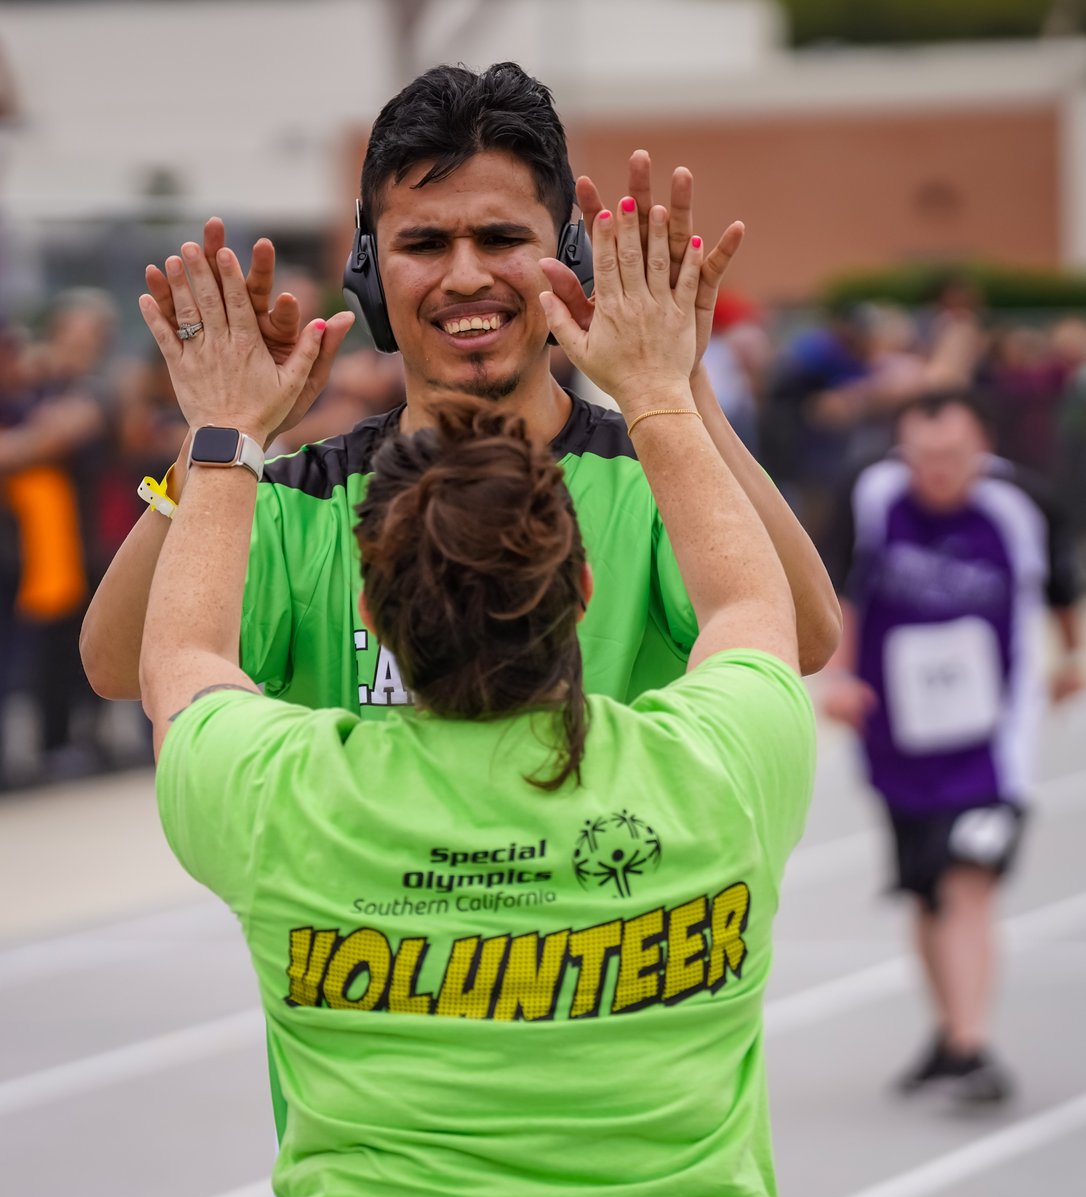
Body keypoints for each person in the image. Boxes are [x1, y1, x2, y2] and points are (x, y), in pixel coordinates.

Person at [80, 60, 839, 1131]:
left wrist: (678, 385)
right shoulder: (296, 500)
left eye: (502, 240)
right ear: (367, 270)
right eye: (425, 244)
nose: (465, 276)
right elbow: (116, 663)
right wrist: (212, 452)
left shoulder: (647, 475)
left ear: (564, 256)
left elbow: (807, 632)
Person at [820, 391, 1082, 1104]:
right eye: (921, 457)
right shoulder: (872, 496)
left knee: (969, 880)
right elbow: (840, 589)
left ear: (982, 451)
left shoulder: (1019, 507)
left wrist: (1072, 655)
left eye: (951, 457)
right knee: (928, 889)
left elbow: (1063, 589)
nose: (934, 471)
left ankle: (971, 1047)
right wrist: (839, 678)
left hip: (991, 744)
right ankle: (948, 1036)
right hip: (897, 737)